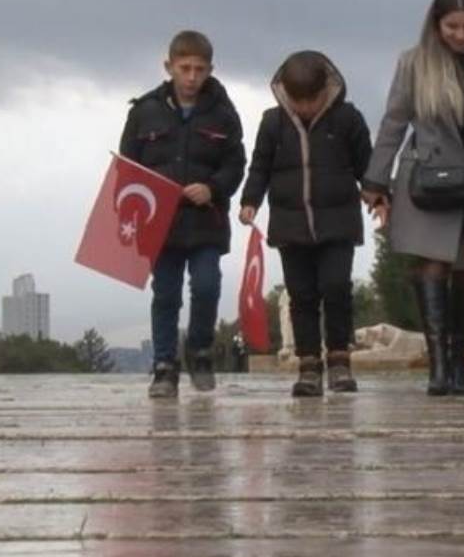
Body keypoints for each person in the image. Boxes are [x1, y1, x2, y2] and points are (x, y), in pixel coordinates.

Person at [361, 0, 464, 396]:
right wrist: (375, 179)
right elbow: (393, 121)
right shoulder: (413, 63)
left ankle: (461, 362)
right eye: (452, 26)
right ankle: (438, 364)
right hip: (425, 178)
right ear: (436, 25)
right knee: (431, 266)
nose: (461, 35)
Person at [119, 29, 246, 399]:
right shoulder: (144, 111)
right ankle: (163, 366)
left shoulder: (223, 113)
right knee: (166, 294)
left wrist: (214, 188)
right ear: (169, 67)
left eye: (200, 69)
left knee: (206, 286)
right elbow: (127, 168)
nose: (192, 77)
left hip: (206, 221)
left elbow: (236, 162)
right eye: (185, 68)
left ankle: (201, 351)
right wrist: (132, 210)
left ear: (210, 70)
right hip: (161, 224)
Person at [240, 50, 375, 397]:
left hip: (338, 223)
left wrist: (376, 192)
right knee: (301, 296)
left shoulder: (347, 118)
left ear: (325, 90)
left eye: (310, 100)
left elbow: (367, 163)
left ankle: (341, 360)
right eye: (296, 100)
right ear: (284, 91)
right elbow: (260, 166)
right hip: (290, 225)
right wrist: (250, 201)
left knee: (336, 288)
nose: (304, 107)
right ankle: (309, 365)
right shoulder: (273, 122)